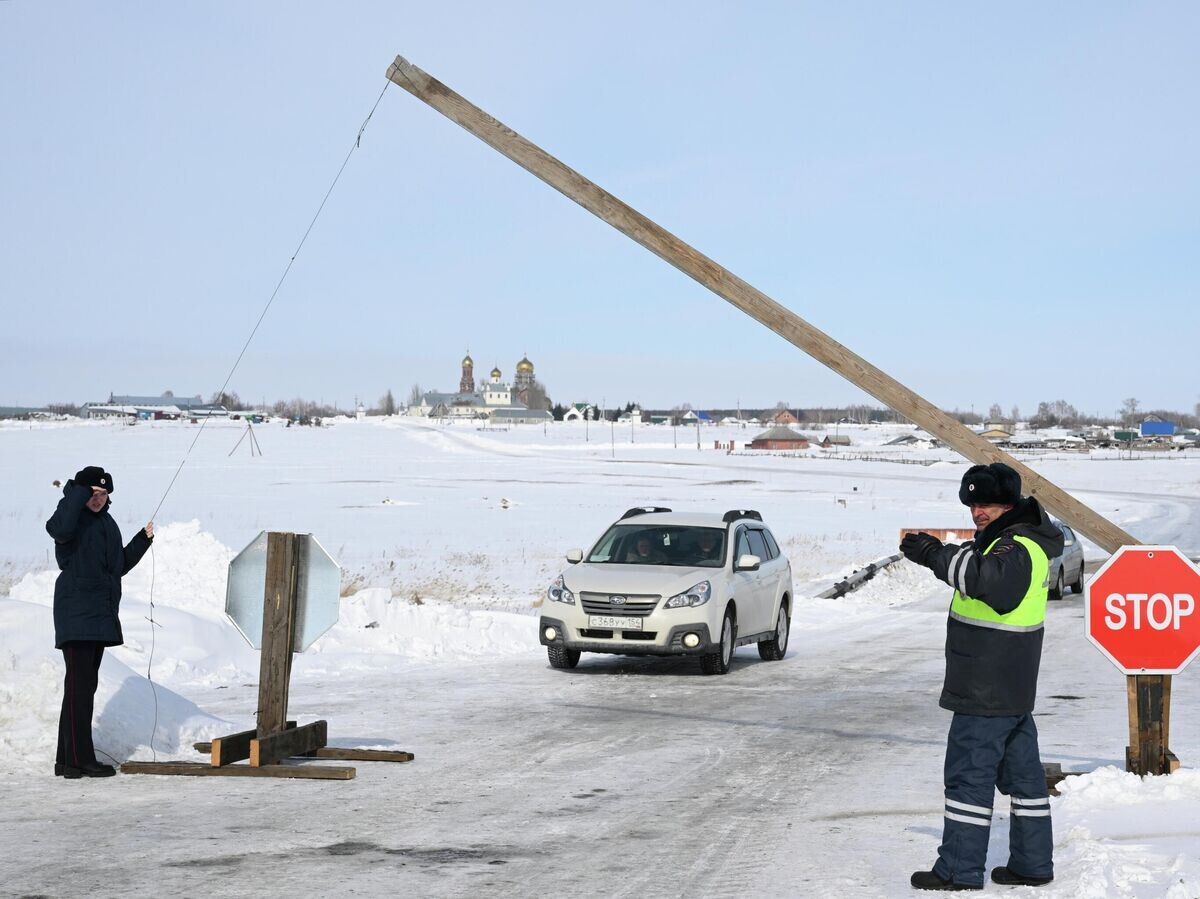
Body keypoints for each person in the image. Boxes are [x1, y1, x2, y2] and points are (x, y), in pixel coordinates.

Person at [900, 462, 1063, 891]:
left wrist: (934, 553)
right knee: (1025, 783)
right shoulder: (1008, 543)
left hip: (986, 690)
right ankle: (1031, 864)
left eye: (987, 503)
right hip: (1008, 688)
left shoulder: (1017, 547)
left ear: (1010, 503)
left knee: (968, 778)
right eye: (973, 504)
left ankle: (958, 869)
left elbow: (985, 581)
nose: (978, 512)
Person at [45, 466, 154, 779]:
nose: (97, 499)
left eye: (102, 494)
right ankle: (81, 760)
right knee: (80, 689)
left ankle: (67, 760)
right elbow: (58, 529)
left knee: (81, 688)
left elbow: (116, 567)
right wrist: (76, 492)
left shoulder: (107, 522)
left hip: (98, 614)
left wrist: (141, 541)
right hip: (76, 611)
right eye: (92, 493)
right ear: (82, 493)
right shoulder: (71, 518)